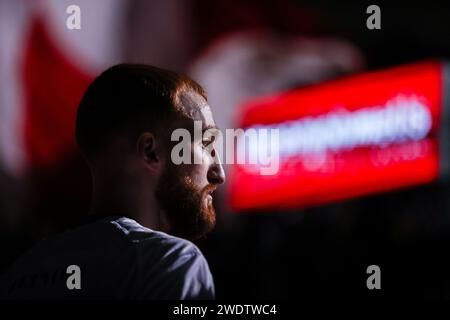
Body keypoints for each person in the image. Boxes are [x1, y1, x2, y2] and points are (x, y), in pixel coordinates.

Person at [0, 64, 225, 299]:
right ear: (151, 152)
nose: (219, 173)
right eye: (205, 144)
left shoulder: (19, 274)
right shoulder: (172, 263)